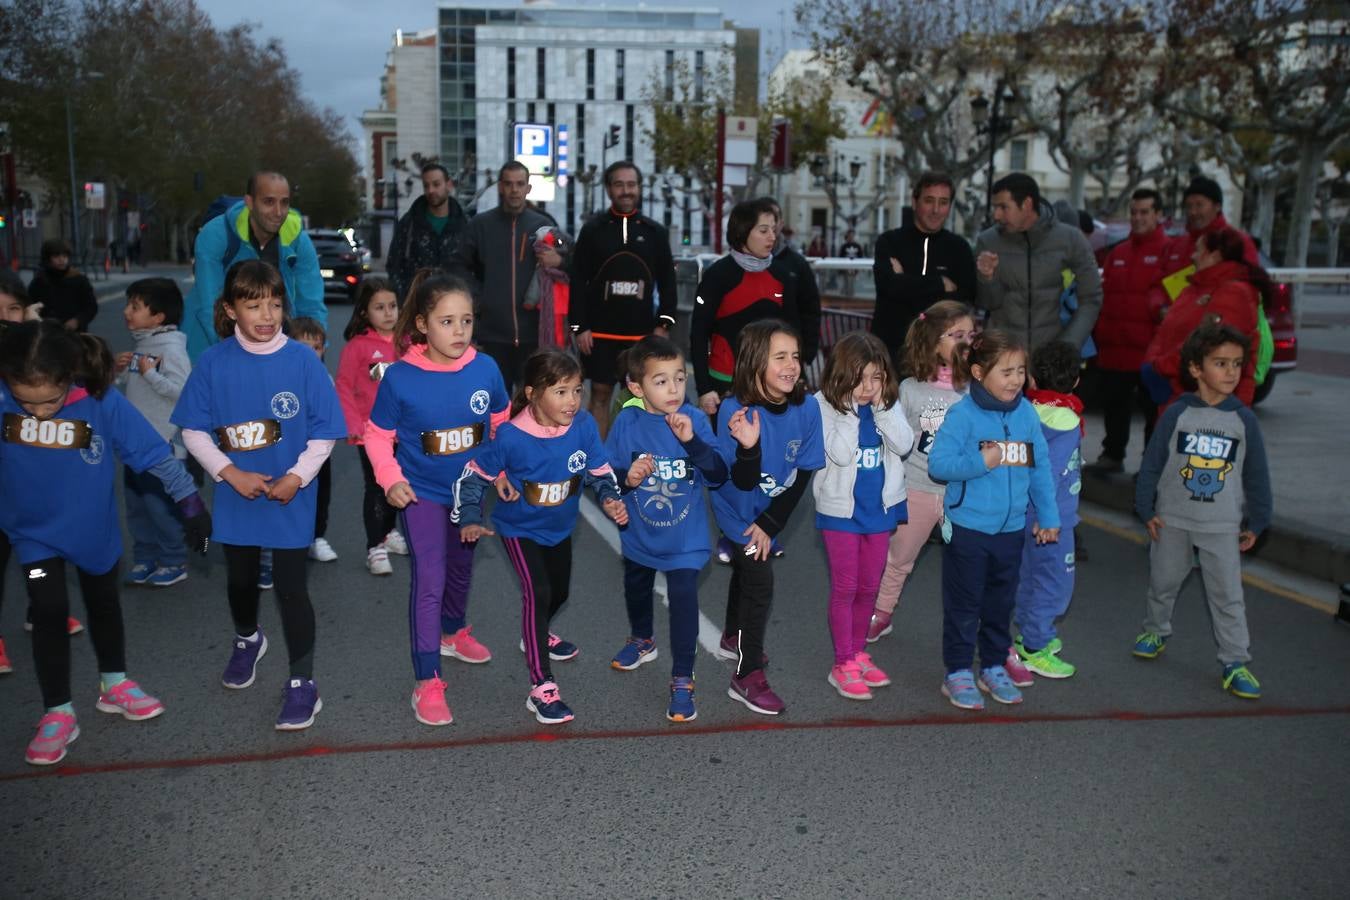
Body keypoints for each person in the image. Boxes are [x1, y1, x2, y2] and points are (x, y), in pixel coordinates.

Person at [0, 321, 211, 765]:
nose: (38, 414)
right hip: (33, 538)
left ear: (68, 377)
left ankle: (113, 683)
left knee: (103, 605)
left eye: (50, 401)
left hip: (94, 535)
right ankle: (57, 711)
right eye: (26, 403)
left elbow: (152, 452)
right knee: (50, 609)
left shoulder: (98, 401)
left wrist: (189, 500)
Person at [172, 260, 345, 731]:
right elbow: (193, 430)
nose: (266, 314)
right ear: (231, 310)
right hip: (237, 495)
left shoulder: (304, 362)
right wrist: (229, 473)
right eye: (253, 305)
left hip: (292, 495)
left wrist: (297, 476)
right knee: (241, 582)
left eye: (274, 303)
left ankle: (302, 684)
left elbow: (324, 434)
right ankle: (248, 638)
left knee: (291, 589)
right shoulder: (214, 362)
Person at [364, 274, 510, 726]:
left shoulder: (486, 369)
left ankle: (452, 631)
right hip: (421, 495)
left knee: (463, 566)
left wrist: (501, 470)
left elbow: (501, 421)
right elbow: (376, 434)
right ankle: (427, 679)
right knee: (431, 576)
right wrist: (390, 479)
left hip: (470, 493)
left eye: (466, 320)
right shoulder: (401, 378)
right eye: (447, 321)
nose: (459, 330)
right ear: (423, 325)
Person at [455, 350, 627, 725]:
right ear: (533, 393)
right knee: (539, 593)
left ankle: (536, 633)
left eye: (577, 391)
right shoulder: (511, 437)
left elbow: (599, 471)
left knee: (559, 592)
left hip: (561, 528)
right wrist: (469, 515)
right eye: (561, 392)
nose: (572, 401)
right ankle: (541, 686)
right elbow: (474, 477)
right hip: (520, 529)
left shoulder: (582, 426)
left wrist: (611, 498)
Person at [1133, 324, 1271, 700]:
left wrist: (1258, 519)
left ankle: (1234, 661)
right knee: (1163, 581)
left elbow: (1257, 474)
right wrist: (1145, 507)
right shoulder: (1178, 414)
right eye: (1220, 363)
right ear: (1196, 369)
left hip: (1221, 525)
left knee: (1227, 594)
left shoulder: (1243, 421)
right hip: (1172, 519)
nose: (1230, 372)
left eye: (1237, 364)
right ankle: (1155, 630)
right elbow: (1153, 463)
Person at [928, 330, 1059, 711]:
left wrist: (1048, 515)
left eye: (1020, 370)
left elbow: (1041, 470)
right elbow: (939, 465)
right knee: (964, 604)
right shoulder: (962, 415)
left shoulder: (1027, 414)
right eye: (1006, 372)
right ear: (978, 372)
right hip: (968, 529)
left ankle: (993, 665)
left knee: (1001, 604)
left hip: (1011, 530)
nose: (1016, 379)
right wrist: (980, 462)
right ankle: (956, 671)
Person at [604, 335, 727, 722]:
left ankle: (681, 677)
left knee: (684, 601)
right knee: (636, 587)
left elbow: (719, 473)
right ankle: (642, 639)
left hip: (684, 540)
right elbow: (607, 478)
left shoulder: (696, 420)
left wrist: (691, 442)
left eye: (679, 377)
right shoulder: (627, 422)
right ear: (636, 387)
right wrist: (628, 478)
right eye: (661, 381)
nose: (674, 389)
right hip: (640, 533)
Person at [711, 320, 824, 715]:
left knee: (748, 572)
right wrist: (749, 446)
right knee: (760, 582)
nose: (792, 365)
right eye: (780, 357)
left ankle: (731, 636)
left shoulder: (808, 407)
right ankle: (746, 674)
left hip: (769, 511)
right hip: (736, 508)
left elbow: (804, 472)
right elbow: (740, 481)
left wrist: (772, 524)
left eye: (795, 356)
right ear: (755, 362)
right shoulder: (734, 409)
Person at [812, 331, 913, 700]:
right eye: (861, 378)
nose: (869, 387)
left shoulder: (887, 404)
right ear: (842, 375)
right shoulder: (822, 405)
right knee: (846, 586)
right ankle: (842, 663)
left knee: (870, 586)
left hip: (880, 510)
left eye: (877, 377)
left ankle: (857, 652)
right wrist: (850, 410)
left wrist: (883, 408)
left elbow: (903, 444)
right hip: (840, 511)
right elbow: (838, 453)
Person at [869, 300, 975, 643]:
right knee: (899, 557)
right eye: (956, 334)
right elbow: (893, 439)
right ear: (932, 341)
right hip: (916, 486)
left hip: (963, 493)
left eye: (971, 334)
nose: (966, 341)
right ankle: (881, 613)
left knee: (974, 564)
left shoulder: (976, 391)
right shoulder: (911, 389)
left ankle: (982, 629)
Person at [0, 279, 87, 678]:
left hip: (38, 489)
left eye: (14, 309)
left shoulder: (35, 354)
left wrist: (36, 327)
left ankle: (43, 608)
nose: (6, 318)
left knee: (39, 560)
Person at [570, 161, 678, 436]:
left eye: (631, 185)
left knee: (640, 402)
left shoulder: (655, 233)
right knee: (600, 396)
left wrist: (663, 325)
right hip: (600, 335)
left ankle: (636, 462)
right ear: (608, 189)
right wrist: (579, 327)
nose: (626, 191)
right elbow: (578, 281)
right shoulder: (593, 230)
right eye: (619, 184)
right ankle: (598, 465)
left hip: (641, 336)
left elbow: (668, 282)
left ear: (640, 188)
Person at [690, 198, 818, 417]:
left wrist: (800, 376)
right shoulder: (717, 275)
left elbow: (792, 330)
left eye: (773, 229)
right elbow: (698, 334)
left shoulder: (782, 275)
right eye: (763, 230)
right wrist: (704, 389)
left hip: (772, 383)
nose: (772, 236)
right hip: (725, 381)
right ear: (742, 232)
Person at [181, 171, 326, 360]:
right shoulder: (215, 235)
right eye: (269, 202)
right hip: (209, 345)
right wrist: (237, 358)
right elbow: (211, 305)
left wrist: (314, 351)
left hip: (276, 347)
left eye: (284, 202)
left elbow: (311, 304)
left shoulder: (299, 241)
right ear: (249, 202)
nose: (278, 212)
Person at [452, 161, 564, 391]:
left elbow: (568, 263)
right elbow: (457, 266)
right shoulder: (480, 225)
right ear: (500, 187)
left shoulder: (542, 225)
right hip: (492, 335)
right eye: (509, 184)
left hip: (534, 334)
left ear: (528, 188)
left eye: (520, 184)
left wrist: (559, 260)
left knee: (530, 404)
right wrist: (478, 297)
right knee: (494, 403)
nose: (514, 190)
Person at [113, 278, 193, 588]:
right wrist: (120, 371)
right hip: (135, 446)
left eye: (135, 306)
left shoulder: (171, 348)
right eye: (128, 305)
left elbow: (184, 393)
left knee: (161, 507)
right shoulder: (144, 343)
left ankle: (174, 560)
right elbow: (135, 391)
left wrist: (150, 376)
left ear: (158, 316)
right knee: (136, 506)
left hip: (162, 446)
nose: (126, 312)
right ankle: (146, 557)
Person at [1011, 341, 1084, 681]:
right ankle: (1035, 647)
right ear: (1076, 381)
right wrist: (1049, 518)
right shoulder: (1066, 419)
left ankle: (1028, 632)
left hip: (1022, 513)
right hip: (1052, 518)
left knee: (1029, 576)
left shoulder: (1025, 411)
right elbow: (1051, 472)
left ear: (1033, 380)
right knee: (1055, 583)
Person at [974, 173, 1101, 352]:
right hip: (1004, 358)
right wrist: (987, 278)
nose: (996, 215)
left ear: (1026, 204)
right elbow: (988, 303)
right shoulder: (988, 241)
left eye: (1003, 207)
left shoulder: (1071, 239)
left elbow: (1091, 298)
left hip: (1052, 358)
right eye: (995, 207)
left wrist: (1067, 346)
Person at [1089, 188, 1169, 473]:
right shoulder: (1118, 252)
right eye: (1134, 212)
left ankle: (1151, 465)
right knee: (1115, 407)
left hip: (1149, 352)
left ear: (1159, 215)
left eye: (1145, 212)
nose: (1138, 218)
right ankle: (1112, 456)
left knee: (1152, 412)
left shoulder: (1169, 253)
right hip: (1114, 349)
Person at [1143, 227, 1267, 408]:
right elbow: (1165, 331)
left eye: (1198, 250)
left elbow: (1209, 348)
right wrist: (1151, 364)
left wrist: (1159, 366)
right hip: (1181, 397)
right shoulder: (1194, 289)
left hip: (1212, 405)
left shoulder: (1233, 293)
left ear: (1214, 255)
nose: (1192, 256)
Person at [335, 276, 407, 574]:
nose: (389, 313)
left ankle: (388, 533)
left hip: (405, 432)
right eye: (380, 307)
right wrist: (353, 423)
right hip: (370, 433)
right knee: (376, 488)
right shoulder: (357, 348)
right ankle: (374, 546)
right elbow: (344, 386)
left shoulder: (409, 343)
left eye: (393, 306)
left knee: (398, 485)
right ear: (365, 312)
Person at [870, 171, 977, 363]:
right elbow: (889, 287)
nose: (936, 209)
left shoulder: (959, 248)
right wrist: (940, 283)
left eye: (943, 202)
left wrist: (905, 281)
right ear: (914, 202)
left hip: (942, 360)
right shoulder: (889, 242)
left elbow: (964, 301)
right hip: (892, 354)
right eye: (929, 200)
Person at [1154, 176, 1259, 305]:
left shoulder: (1237, 242)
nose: (1193, 212)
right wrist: (1159, 307)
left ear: (1217, 206)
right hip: (1177, 319)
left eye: (1199, 205)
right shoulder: (1176, 245)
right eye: (1188, 206)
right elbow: (1157, 286)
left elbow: (1249, 287)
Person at [289, 317, 337, 565]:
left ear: (323, 350)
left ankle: (316, 537)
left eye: (316, 348)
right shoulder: (282, 378)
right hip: (289, 451)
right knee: (290, 493)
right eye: (303, 347)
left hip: (318, 452)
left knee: (320, 494)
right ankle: (291, 538)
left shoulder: (325, 378)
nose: (311, 354)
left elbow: (330, 415)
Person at [385, 163, 468, 303]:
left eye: (436, 184)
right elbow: (394, 265)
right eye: (426, 185)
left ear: (448, 185)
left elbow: (472, 269)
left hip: (453, 307)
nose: (431, 190)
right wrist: (405, 298)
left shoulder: (464, 224)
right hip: (416, 307)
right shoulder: (409, 223)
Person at [27, 239, 98, 332]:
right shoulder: (39, 282)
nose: (62, 259)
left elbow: (91, 306)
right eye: (56, 256)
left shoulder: (79, 280)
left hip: (74, 333)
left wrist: (77, 320)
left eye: (65, 256)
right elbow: (30, 305)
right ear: (48, 258)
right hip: (47, 332)